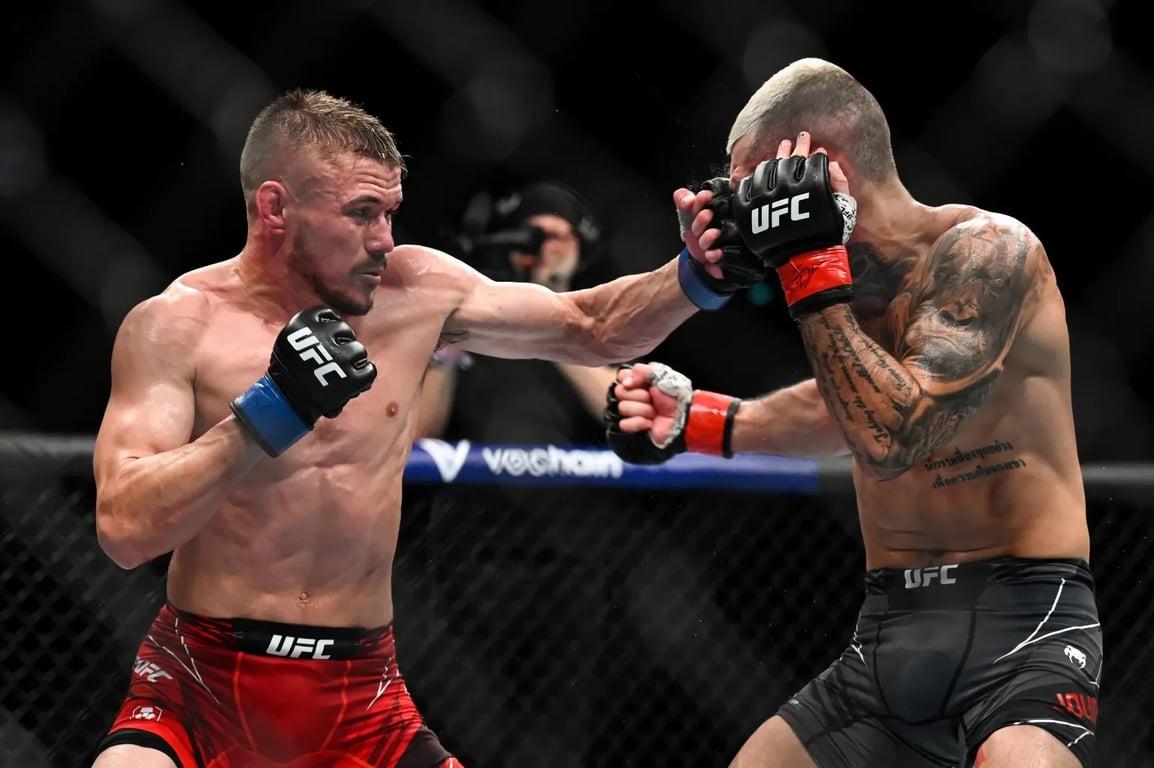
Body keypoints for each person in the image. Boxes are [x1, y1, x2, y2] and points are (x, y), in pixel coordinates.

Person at [90, 88, 746, 768]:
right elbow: (124, 529)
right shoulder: (174, 325)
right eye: (362, 214)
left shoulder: (416, 292)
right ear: (276, 208)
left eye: (391, 213)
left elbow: (592, 325)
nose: (385, 240)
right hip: (199, 683)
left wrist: (696, 272)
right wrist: (268, 412)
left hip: (359, 695)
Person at [606, 58, 1100, 768]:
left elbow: (895, 431)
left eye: (753, 185)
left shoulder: (989, 254)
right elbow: (846, 402)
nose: (745, 210)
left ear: (816, 164)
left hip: (1022, 624)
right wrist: (701, 423)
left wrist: (810, 263)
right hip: (890, 631)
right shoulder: (850, 291)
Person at [417, 179, 619, 444]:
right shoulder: (473, 316)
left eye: (556, 238)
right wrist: (447, 348)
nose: (545, 250)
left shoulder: (602, 314)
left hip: (574, 478)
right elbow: (417, 436)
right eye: (533, 237)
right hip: (471, 478)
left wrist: (553, 316)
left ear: (579, 248)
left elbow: (620, 410)